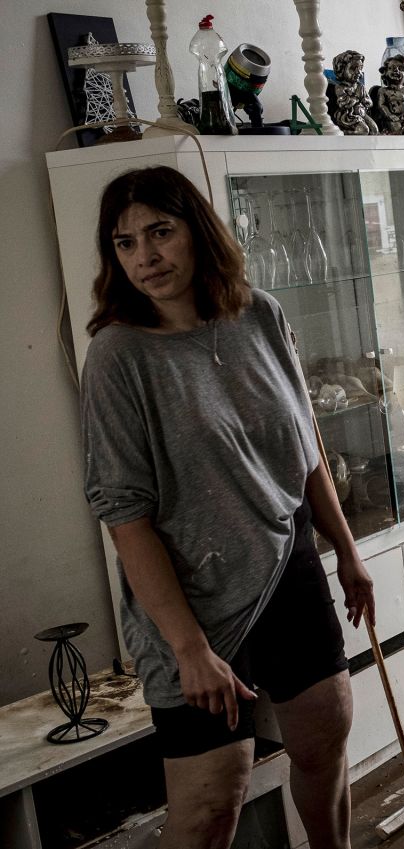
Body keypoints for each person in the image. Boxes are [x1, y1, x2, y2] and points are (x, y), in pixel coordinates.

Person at [80, 166, 374, 849]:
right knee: (214, 799)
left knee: (325, 740)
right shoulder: (118, 357)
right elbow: (125, 516)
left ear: (197, 232)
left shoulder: (260, 314)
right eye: (124, 243)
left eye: (160, 231)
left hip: (288, 565)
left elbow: (306, 450)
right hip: (196, 601)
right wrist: (189, 648)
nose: (145, 256)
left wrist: (348, 554)